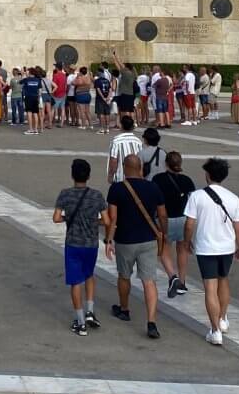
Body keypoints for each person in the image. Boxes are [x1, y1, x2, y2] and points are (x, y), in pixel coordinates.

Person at [184, 157, 239, 347]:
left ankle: (215, 330)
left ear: (208, 175)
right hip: (226, 247)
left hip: (205, 247)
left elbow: (189, 224)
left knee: (210, 288)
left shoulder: (197, 196)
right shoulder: (233, 198)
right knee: (223, 281)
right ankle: (223, 318)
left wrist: (187, 242)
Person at [104, 153, 166, 339]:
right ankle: (151, 321)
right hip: (148, 239)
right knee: (149, 281)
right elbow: (162, 214)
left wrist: (108, 240)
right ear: (140, 168)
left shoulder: (116, 189)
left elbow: (112, 218)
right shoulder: (153, 187)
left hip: (125, 239)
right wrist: (163, 232)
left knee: (124, 276)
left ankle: (124, 309)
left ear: (124, 167)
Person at [53, 158, 107, 336]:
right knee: (89, 275)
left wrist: (68, 218)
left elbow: (56, 218)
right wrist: (93, 221)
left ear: (72, 175)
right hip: (91, 243)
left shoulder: (65, 194)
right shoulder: (96, 195)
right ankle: (90, 310)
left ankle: (80, 321)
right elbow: (106, 221)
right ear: (89, 176)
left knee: (75, 281)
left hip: (73, 244)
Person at [152, 150, 195, 298]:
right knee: (182, 250)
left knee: (164, 249)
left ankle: (172, 276)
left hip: (166, 219)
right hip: (183, 218)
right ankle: (182, 282)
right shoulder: (187, 181)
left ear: (166, 164)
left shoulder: (158, 179)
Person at [106, 114, 143, 184]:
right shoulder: (138, 141)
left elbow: (113, 162)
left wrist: (110, 176)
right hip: (136, 178)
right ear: (132, 127)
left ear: (121, 126)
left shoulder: (116, 141)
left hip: (120, 179)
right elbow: (140, 160)